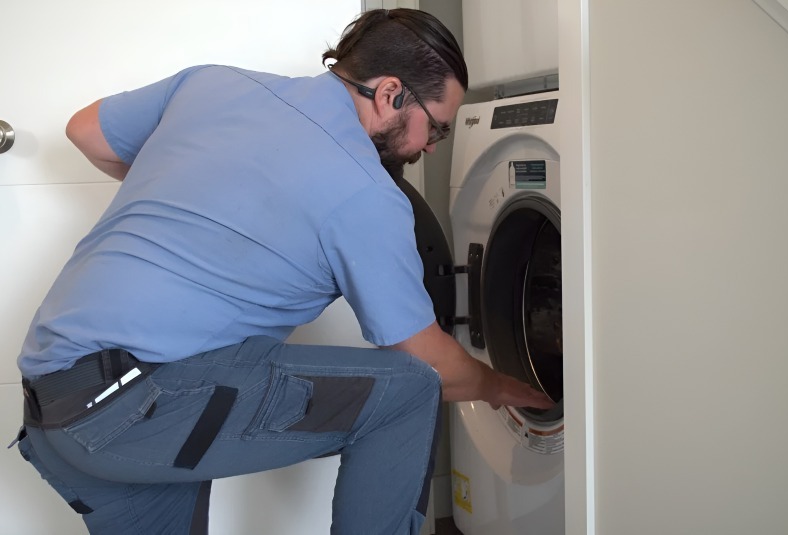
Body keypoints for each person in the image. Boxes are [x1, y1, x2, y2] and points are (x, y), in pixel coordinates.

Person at [13, 8, 553, 535]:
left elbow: (87, 130)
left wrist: (200, 194)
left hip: (54, 399)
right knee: (410, 393)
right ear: (390, 94)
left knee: (211, 378)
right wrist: (501, 386)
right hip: (133, 408)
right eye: (435, 128)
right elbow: (429, 363)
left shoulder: (213, 85)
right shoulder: (365, 193)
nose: (430, 146)